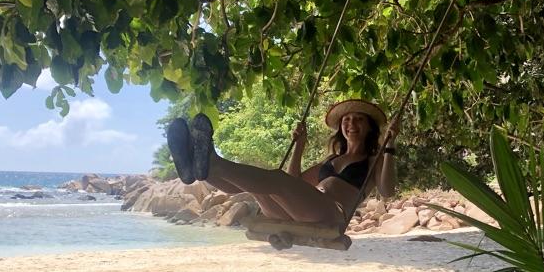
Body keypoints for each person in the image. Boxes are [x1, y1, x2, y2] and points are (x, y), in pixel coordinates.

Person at [166, 99, 399, 228]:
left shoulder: (372, 162)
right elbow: (295, 181)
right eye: (346, 120)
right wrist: (299, 144)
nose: (351, 124)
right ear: (340, 128)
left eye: (359, 119)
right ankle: (200, 172)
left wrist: (389, 145)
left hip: (331, 215)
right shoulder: (331, 161)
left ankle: (212, 163)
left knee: (275, 179)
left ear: (370, 127)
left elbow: (387, 190)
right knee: (259, 186)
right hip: (300, 211)